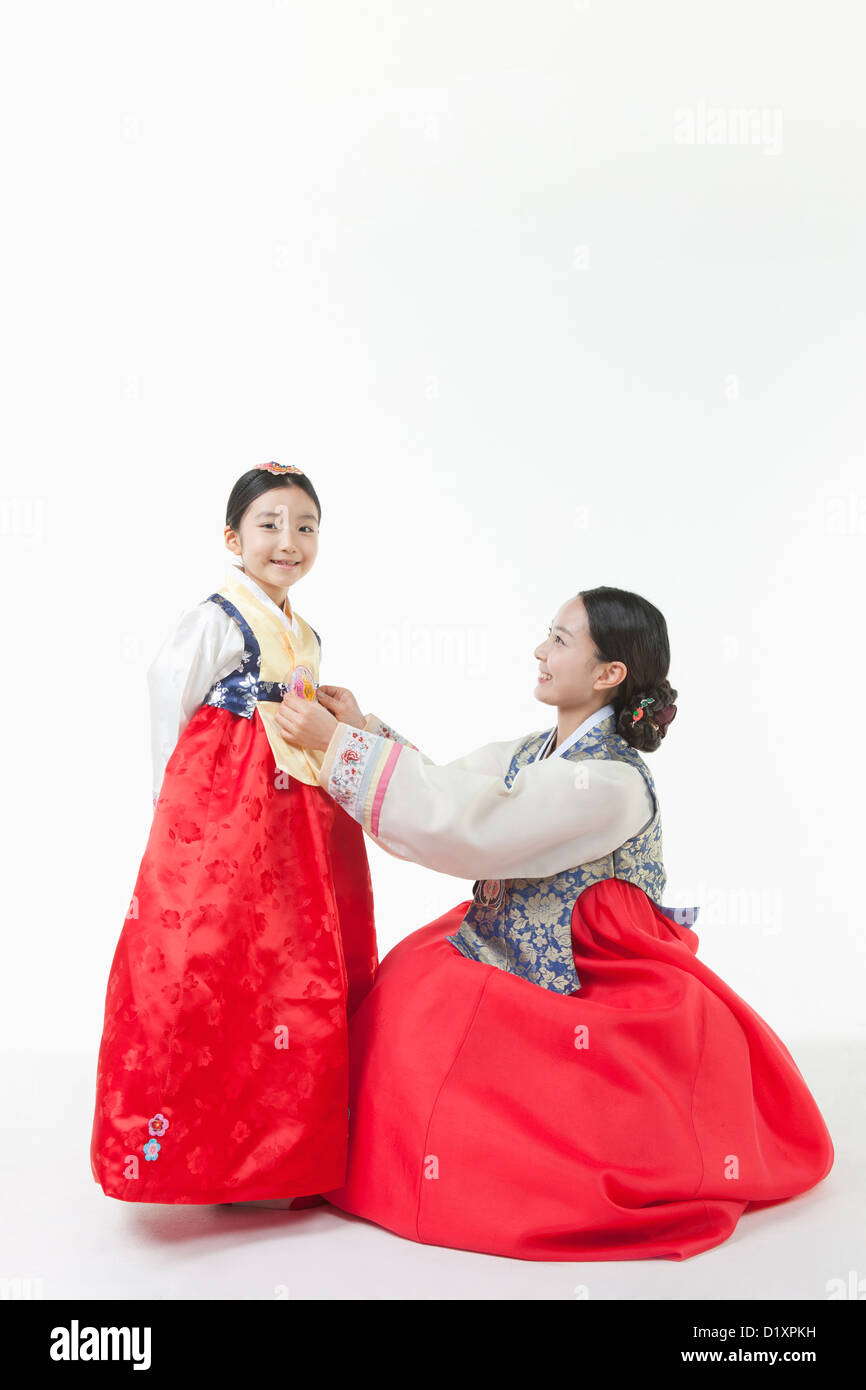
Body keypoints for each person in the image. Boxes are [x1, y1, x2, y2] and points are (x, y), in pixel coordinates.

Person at [274, 585, 834, 1260]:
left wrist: (339, 748)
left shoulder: (609, 781)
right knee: (408, 1002)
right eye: (548, 635)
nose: (540, 651)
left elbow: (480, 829)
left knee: (540, 1095)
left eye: (561, 641)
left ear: (609, 675)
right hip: (504, 932)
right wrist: (358, 730)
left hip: (593, 962)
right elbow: (458, 788)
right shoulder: (540, 751)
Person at [90, 462, 377, 1207]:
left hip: (298, 809)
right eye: (270, 525)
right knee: (213, 952)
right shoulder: (221, 616)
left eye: (305, 527)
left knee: (291, 957)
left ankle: (282, 1152)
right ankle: (195, 1146)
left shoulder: (305, 630)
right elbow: (170, 691)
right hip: (230, 802)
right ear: (233, 537)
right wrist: (174, 800)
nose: (289, 541)